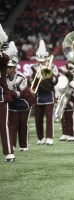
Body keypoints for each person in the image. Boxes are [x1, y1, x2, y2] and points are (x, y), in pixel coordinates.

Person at [6, 41, 35, 151]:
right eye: (7, 67)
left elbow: (24, 93)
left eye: (10, 67)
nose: (8, 69)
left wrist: (13, 93)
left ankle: (24, 146)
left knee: (23, 125)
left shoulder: (21, 77)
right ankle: (12, 145)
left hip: (23, 104)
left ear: (14, 68)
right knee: (12, 125)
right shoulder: (2, 76)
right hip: (11, 104)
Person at [29, 39, 58, 145]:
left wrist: (48, 73)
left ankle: (49, 137)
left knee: (49, 119)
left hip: (49, 95)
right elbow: (30, 83)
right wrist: (36, 76)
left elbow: (55, 81)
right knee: (38, 118)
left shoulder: (53, 67)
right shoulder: (32, 68)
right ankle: (40, 138)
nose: (41, 62)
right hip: (38, 96)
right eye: (39, 60)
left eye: (43, 60)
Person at [0, 24, 15, 162]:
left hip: (1, 94)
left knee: (3, 124)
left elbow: (3, 58)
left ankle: (9, 152)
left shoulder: (3, 57)